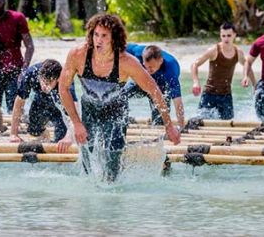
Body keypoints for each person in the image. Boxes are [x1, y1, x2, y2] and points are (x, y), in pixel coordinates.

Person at [59, 13, 180, 181]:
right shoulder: (78, 55)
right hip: (89, 110)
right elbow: (63, 87)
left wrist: (169, 125)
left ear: (114, 38)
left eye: (104, 36)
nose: (98, 40)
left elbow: (154, 91)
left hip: (116, 112)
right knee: (87, 165)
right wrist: (77, 123)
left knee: (112, 169)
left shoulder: (126, 62)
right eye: (95, 35)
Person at [9, 59, 77, 152]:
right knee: (34, 131)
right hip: (40, 102)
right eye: (43, 81)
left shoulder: (65, 79)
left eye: (49, 83)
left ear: (57, 80)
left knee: (61, 143)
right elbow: (19, 104)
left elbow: (75, 111)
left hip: (60, 107)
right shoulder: (30, 74)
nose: (45, 86)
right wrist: (14, 134)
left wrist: (68, 137)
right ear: (39, 76)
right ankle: (45, 134)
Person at [191, 22, 245, 119]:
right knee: (201, 122)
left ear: (234, 35)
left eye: (229, 35)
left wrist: (249, 80)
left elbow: (246, 64)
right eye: (223, 36)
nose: (226, 39)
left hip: (226, 96)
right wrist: (196, 82)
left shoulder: (238, 52)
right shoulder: (214, 50)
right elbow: (195, 64)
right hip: (209, 94)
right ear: (220, 36)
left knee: (228, 125)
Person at [124, 44, 185, 128]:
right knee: (120, 95)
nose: (148, 70)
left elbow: (178, 102)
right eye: (146, 66)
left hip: (161, 90)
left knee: (159, 123)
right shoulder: (137, 52)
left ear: (160, 61)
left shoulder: (170, 69)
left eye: (151, 67)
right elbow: (117, 46)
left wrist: (181, 126)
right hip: (143, 82)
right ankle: (122, 119)